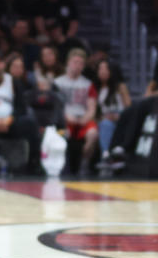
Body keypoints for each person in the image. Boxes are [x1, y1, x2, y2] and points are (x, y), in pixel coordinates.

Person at [53, 48, 99, 176]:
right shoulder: (58, 83)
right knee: (63, 132)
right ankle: (64, 165)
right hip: (64, 118)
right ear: (68, 62)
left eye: (80, 63)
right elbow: (55, 106)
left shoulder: (88, 84)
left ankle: (84, 163)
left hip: (82, 117)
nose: (77, 65)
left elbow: (92, 107)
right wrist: (66, 117)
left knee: (92, 134)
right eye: (75, 62)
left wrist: (86, 118)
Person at [94, 58, 130, 170]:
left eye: (106, 69)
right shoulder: (96, 88)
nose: (102, 71)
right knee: (105, 124)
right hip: (103, 120)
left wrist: (117, 116)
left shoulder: (120, 87)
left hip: (120, 119)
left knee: (107, 124)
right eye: (100, 69)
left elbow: (129, 108)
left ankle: (110, 156)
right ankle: (107, 155)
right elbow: (95, 111)